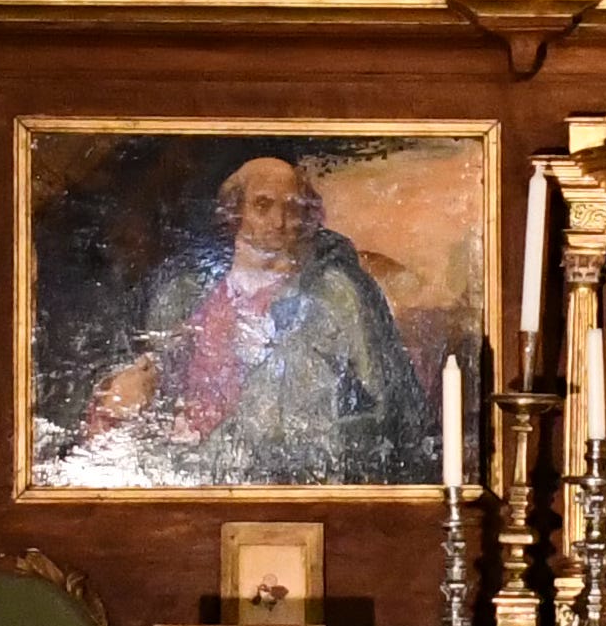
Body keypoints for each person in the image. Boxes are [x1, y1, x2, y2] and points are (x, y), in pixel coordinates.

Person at [80, 150, 427, 485]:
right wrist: (126, 392)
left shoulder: (337, 294)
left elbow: (384, 408)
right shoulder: (181, 294)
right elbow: (144, 383)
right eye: (263, 205)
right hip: (186, 475)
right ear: (235, 212)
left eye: (292, 208)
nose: (279, 222)